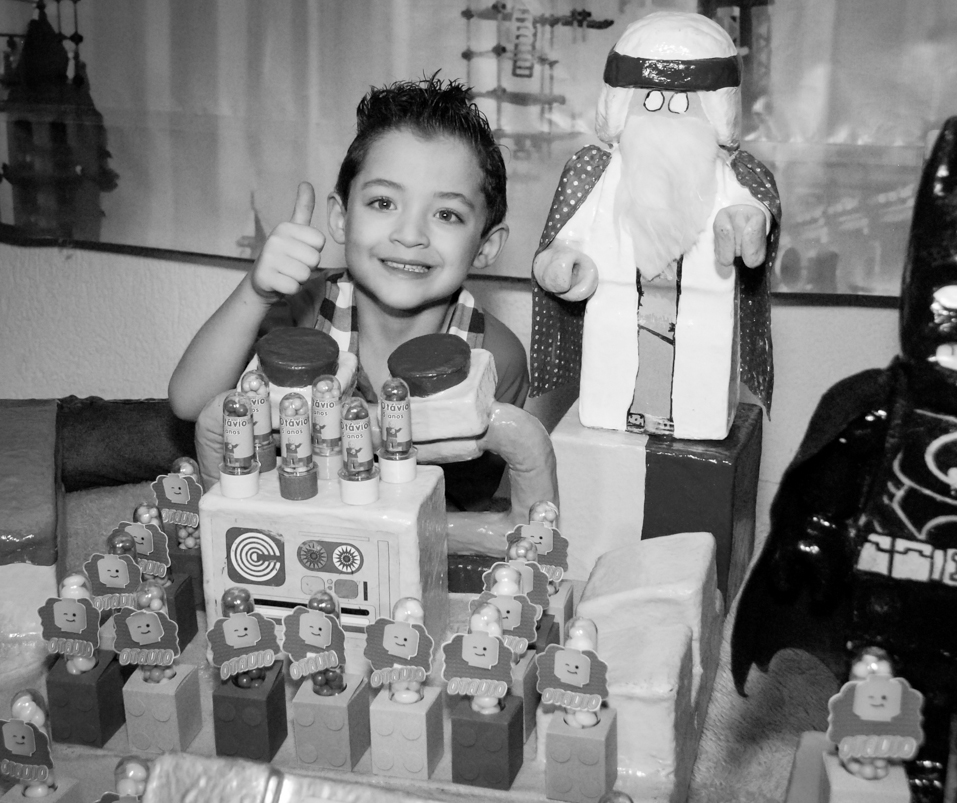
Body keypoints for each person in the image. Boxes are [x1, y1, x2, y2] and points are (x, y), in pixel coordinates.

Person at [169, 77, 528, 508]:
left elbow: (464, 500)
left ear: (486, 246)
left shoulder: (495, 357)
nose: (410, 235)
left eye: (447, 214)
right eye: (383, 203)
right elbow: (191, 403)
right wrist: (257, 292)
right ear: (340, 218)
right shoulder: (297, 312)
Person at [530, 11, 779, 441]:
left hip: (702, 317)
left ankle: (693, 420)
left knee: (699, 375)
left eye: (683, 102)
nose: (664, 115)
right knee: (613, 373)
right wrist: (560, 262)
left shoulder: (729, 178)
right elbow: (563, 239)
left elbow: (751, 210)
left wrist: (748, 221)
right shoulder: (598, 173)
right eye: (650, 99)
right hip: (614, 312)